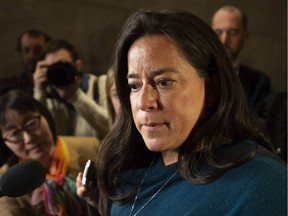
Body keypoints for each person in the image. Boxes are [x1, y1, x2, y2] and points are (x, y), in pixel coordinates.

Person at [76, 9, 287, 216]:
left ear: (212, 89)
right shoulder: (125, 168)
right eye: (134, 85)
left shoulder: (264, 184)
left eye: (164, 82)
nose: (144, 102)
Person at [0, 89, 101, 215]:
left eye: (31, 123)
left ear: (46, 117)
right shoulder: (5, 186)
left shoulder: (92, 148)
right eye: (14, 134)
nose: (28, 138)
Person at [33, 39, 109, 138]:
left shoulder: (101, 84)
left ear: (78, 65)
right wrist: (39, 91)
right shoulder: (47, 95)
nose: (59, 72)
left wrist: (76, 97)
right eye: (52, 68)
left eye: (62, 65)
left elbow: (112, 128)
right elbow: (37, 134)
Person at [211, 5, 271, 117]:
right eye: (218, 32)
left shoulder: (259, 82)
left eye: (232, 32)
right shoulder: (198, 76)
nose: (224, 40)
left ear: (245, 36)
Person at [17, 29, 52, 94]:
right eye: (26, 50)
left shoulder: (57, 86)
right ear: (20, 54)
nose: (31, 56)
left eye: (38, 50)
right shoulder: (11, 88)